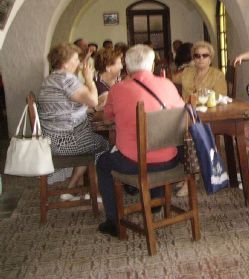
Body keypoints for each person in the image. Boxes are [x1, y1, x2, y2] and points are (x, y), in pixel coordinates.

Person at [96, 44, 185, 236]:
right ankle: (156, 202)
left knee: (103, 162)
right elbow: (182, 113)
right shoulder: (168, 84)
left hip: (135, 163)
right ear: (152, 66)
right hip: (171, 160)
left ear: (127, 68)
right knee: (158, 148)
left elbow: (107, 119)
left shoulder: (118, 90)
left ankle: (113, 221)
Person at [37, 43, 110, 197]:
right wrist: (89, 80)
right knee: (104, 144)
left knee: (91, 142)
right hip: (67, 142)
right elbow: (93, 101)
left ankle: (70, 189)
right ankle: (96, 193)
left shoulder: (50, 79)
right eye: (76, 59)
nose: (78, 63)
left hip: (51, 141)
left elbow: (66, 105)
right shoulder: (67, 79)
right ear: (65, 62)